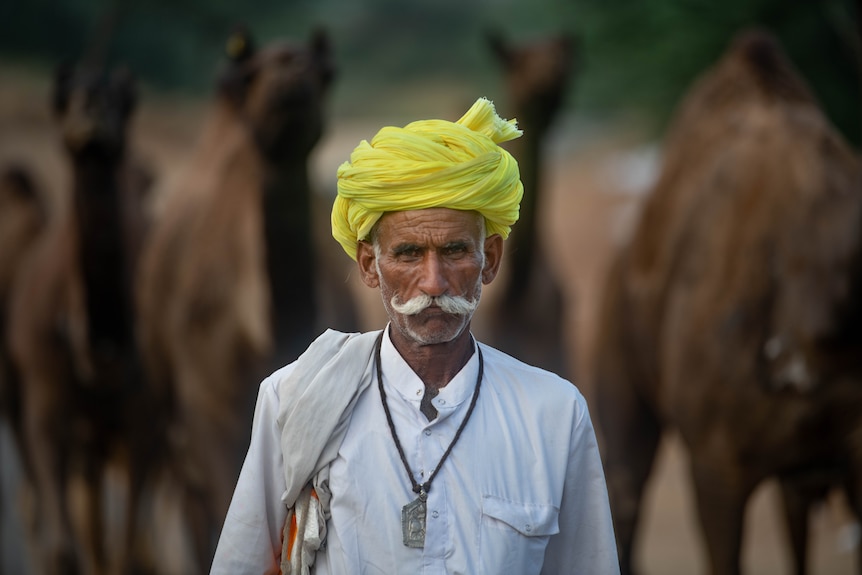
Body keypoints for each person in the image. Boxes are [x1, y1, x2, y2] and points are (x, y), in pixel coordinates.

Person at [210, 97, 620, 574]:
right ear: (369, 265)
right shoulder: (295, 400)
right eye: (407, 254)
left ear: (490, 258)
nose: (433, 283)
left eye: (454, 252)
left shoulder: (553, 413)